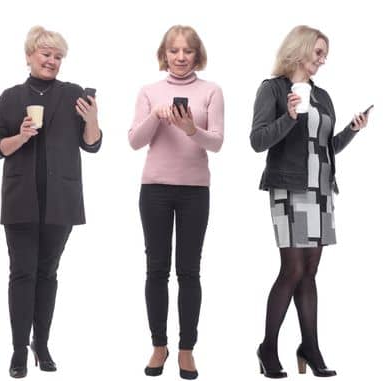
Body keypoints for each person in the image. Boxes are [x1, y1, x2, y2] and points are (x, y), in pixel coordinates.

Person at [250, 25, 370, 379]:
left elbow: (325, 147)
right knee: (292, 269)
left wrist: (351, 130)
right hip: (288, 189)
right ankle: (268, 348)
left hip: (321, 192)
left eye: (324, 53)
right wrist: (288, 118)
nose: (322, 59)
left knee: (311, 271)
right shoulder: (272, 89)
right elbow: (258, 141)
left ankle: (310, 346)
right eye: (318, 52)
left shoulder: (323, 96)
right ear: (299, 49)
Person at [0, 25, 102, 379]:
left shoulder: (73, 94)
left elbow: (92, 144)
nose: (51, 61)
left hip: (61, 200)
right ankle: (19, 349)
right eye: (45, 54)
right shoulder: (9, 97)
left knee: (48, 273)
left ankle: (42, 343)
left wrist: (92, 120)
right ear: (29, 56)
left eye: (57, 56)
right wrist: (18, 137)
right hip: (20, 199)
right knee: (22, 273)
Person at [127, 25, 222, 381]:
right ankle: (158, 345)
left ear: (197, 55)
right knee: (156, 269)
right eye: (174, 51)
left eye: (188, 51)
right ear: (164, 54)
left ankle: (186, 349)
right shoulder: (149, 92)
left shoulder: (211, 91)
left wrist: (190, 129)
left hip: (195, 190)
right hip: (154, 190)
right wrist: (157, 115)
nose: (181, 57)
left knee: (189, 271)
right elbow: (134, 141)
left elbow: (217, 143)